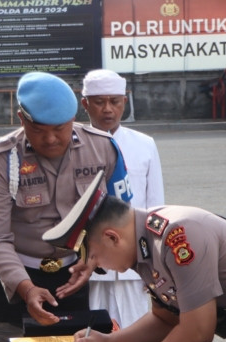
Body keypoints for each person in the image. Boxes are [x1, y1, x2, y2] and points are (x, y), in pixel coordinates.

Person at [43, 171, 226, 342]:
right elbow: (165, 319)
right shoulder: (143, 245)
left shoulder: (178, 236)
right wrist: (108, 341)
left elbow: (198, 332)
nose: (100, 268)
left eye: (95, 258)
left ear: (112, 238)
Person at [0, 71, 132, 326]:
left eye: (59, 128)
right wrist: (26, 289)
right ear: (21, 119)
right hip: (15, 274)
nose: (50, 139)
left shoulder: (103, 148)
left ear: (73, 118)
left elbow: (119, 217)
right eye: (38, 129)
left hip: (73, 273)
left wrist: (91, 259)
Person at [80, 69, 165, 328]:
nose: (108, 109)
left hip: (133, 261)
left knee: (136, 333)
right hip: (91, 265)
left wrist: (156, 263)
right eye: (99, 102)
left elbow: (156, 206)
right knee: (93, 335)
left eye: (115, 102)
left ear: (124, 102)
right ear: (85, 104)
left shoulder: (145, 144)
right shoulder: (74, 145)